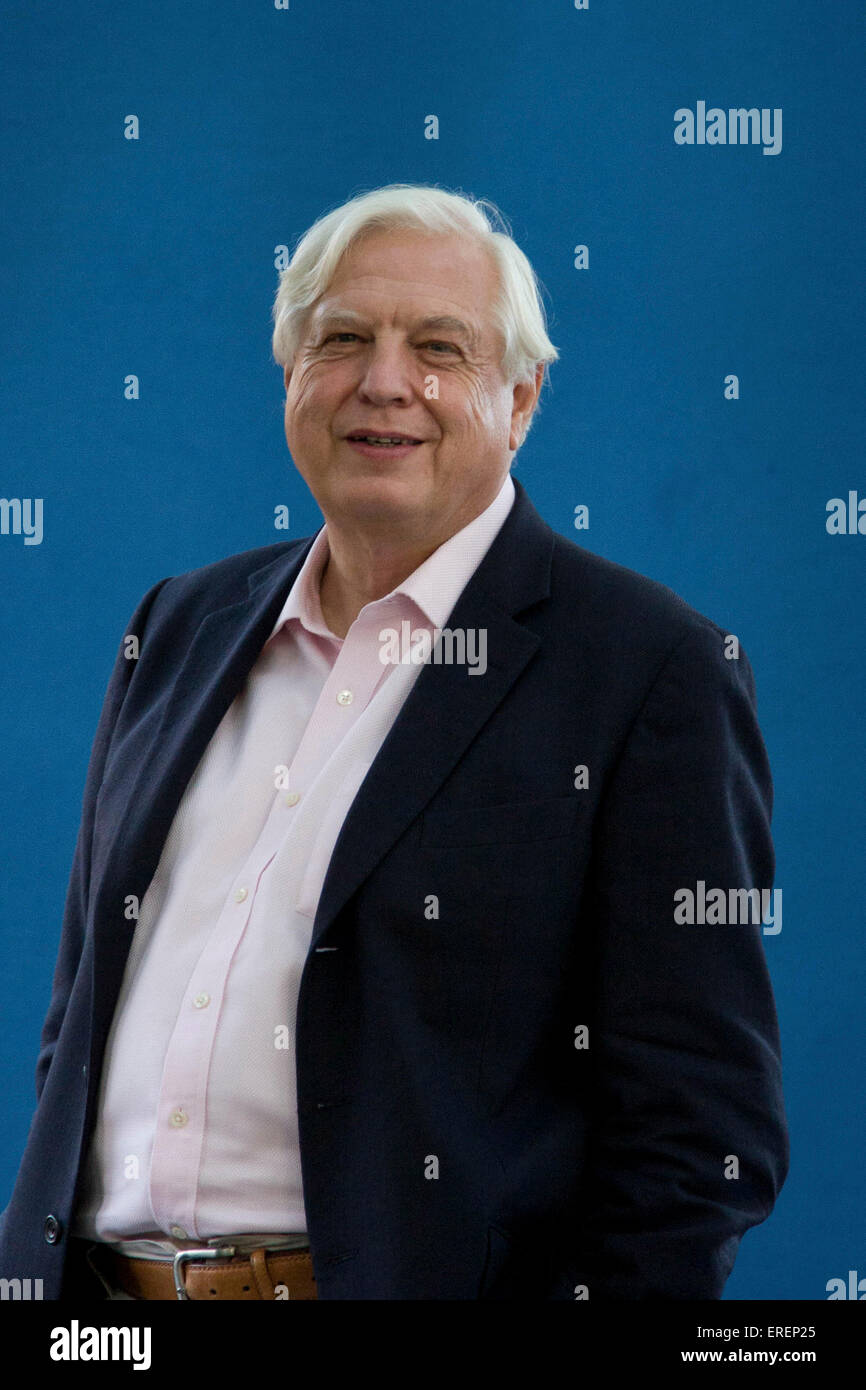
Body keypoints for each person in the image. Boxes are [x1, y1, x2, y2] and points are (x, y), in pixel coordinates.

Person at [0, 183, 788, 1300]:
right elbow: (82, 1021)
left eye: (437, 347)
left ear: (520, 397)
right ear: (289, 374)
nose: (384, 382)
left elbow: (700, 1136)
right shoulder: (176, 626)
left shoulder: (644, 670)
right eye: (343, 340)